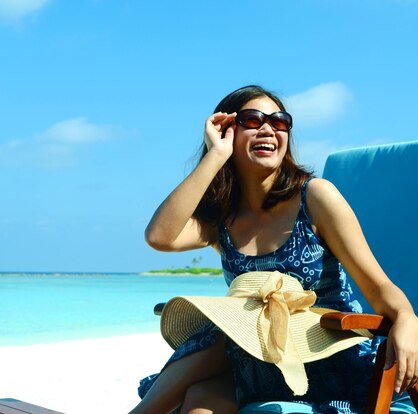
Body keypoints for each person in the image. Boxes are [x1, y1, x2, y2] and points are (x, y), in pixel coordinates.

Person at [129, 85, 418, 414]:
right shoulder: (224, 219)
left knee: (227, 328)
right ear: (226, 132)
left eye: (279, 122)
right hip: (256, 362)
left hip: (327, 360)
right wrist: (215, 156)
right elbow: (160, 236)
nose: (268, 128)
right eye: (252, 120)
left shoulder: (316, 198)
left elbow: (378, 286)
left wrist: (408, 318)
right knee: (199, 402)